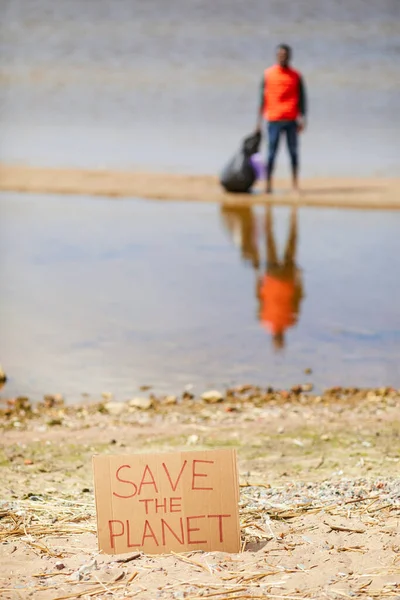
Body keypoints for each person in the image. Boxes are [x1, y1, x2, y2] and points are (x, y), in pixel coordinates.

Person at [256, 44, 307, 194]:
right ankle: (268, 185)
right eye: (280, 55)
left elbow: (302, 98)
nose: (282, 57)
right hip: (273, 119)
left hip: (291, 119)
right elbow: (261, 99)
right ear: (276, 56)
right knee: (271, 153)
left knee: (293, 152)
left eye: (285, 55)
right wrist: (258, 122)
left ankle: (295, 184)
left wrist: (303, 118)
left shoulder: (296, 75)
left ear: (289, 57)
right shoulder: (268, 74)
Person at [256, 205, 303, 350]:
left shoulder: (290, 322)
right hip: (273, 277)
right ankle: (274, 218)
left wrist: (298, 279)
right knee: (271, 245)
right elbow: (259, 298)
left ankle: (290, 219)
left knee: (288, 246)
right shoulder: (264, 321)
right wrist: (259, 279)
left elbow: (298, 297)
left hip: (284, 279)